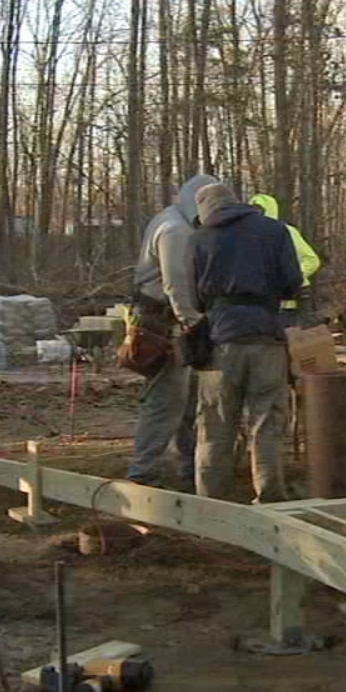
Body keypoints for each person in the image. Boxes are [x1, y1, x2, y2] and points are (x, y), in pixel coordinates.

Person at [188, 183, 302, 503]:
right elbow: (293, 283)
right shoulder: (275, 230)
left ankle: (211, 505)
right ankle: (270, 499)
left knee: (214, 426)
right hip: (267, 335)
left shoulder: (198, 238)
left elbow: (192, 294)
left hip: (220, 339)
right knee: (266, 423)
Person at [126, 173, 218, 491]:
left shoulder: (172, 221)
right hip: (162, 325)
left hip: (165, 321)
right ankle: (143, 471)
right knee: (167, 401)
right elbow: (176, 284)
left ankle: (188, 464)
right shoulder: (176, 230)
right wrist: (193, 323)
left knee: (188, 401)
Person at [247, 193, 321, 326]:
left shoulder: (286, 231)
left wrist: (293, 275)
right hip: (258, 306)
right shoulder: (246, 236)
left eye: (260, 210)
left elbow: (312, 259)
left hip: (288, 307)